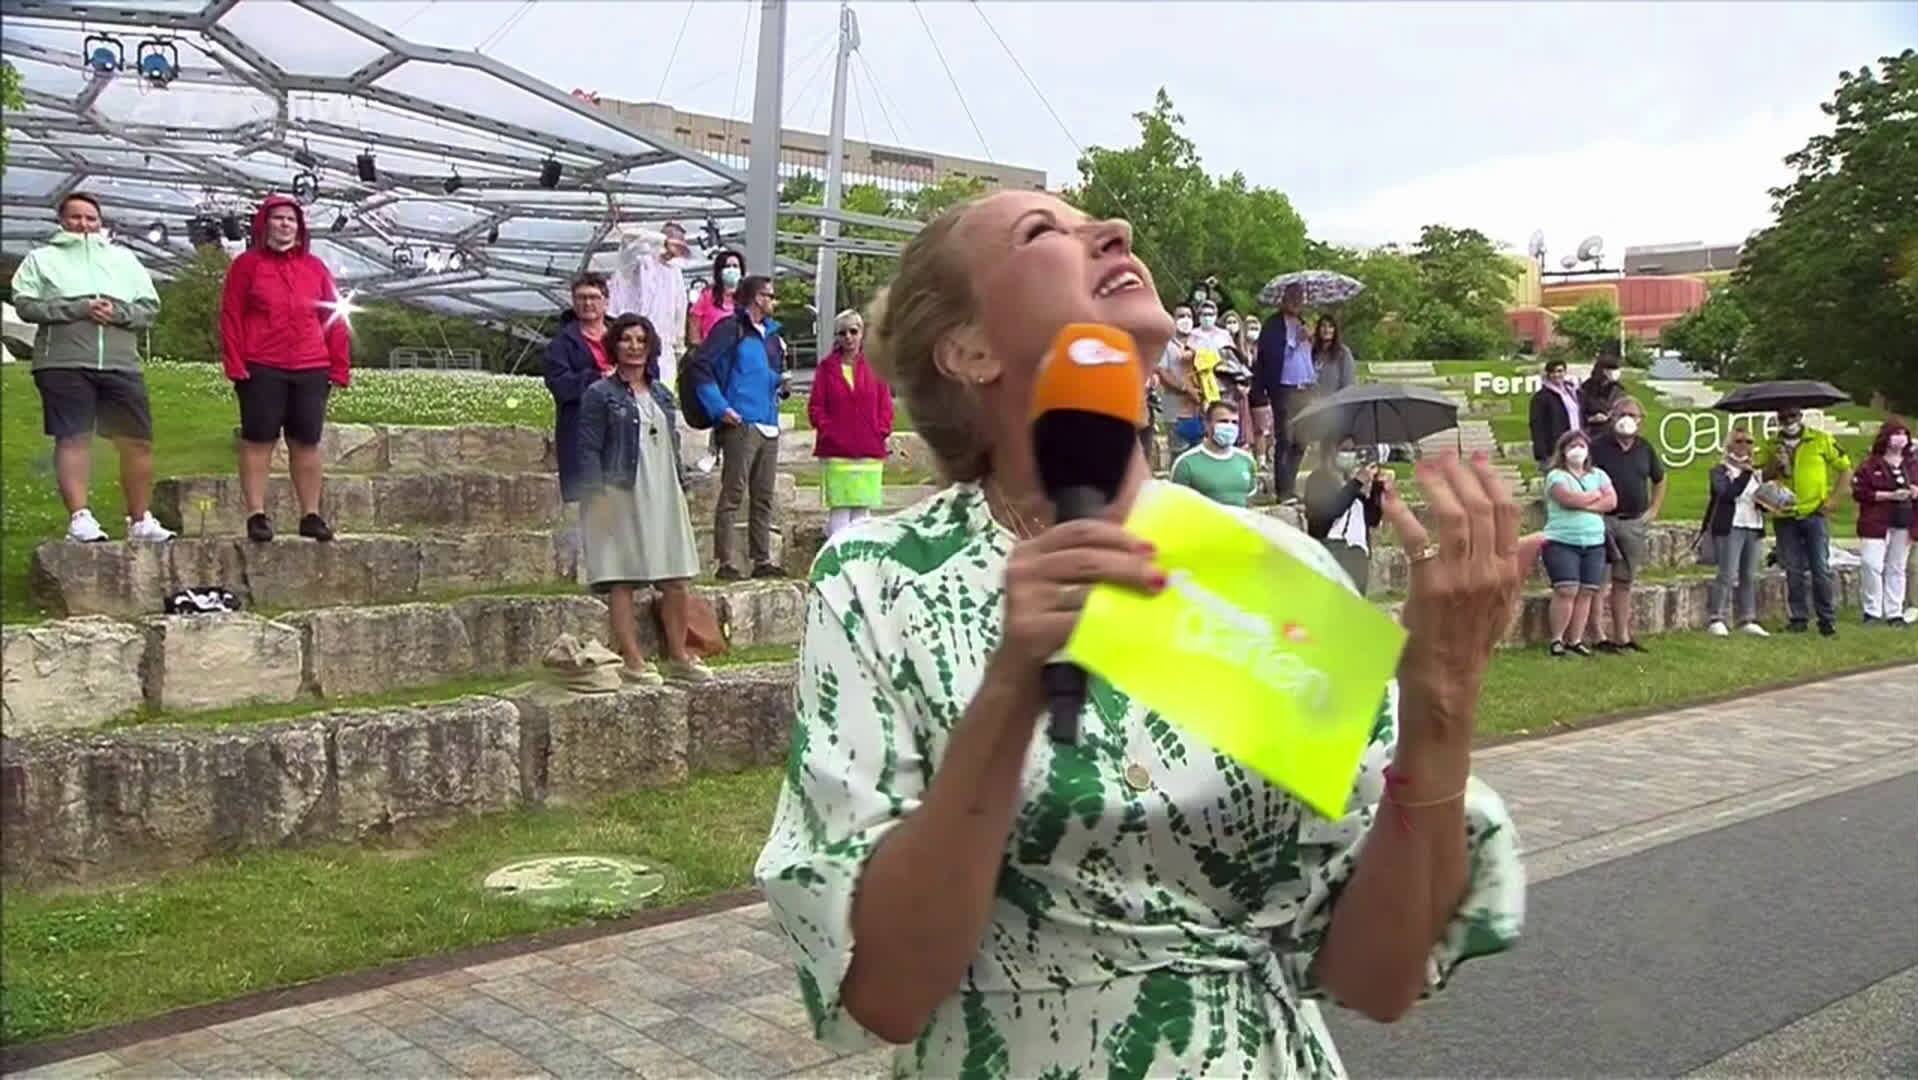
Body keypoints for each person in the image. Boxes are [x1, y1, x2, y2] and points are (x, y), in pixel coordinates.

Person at [755, 189, 1527, 1078]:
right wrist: (1010, 689)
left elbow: (1377, 979)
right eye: (1043, 232)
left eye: (1098, 222)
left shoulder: (1270, 571)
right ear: (969, 350)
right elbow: (888, 996)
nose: (1114, 232)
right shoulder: (884, 580)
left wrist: (1441, 708)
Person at [11, 192, 173, 543]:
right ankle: (80, 518)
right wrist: (77, 308)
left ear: (100, 222)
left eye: (90, 218)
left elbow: (148, 308)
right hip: (63, 362)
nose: (83, 224)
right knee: (74, 436)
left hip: (121, 363)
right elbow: (25, 304)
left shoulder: (124, 260)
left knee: (137, 441)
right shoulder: (41, 259)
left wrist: (118, 313)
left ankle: (140, 520)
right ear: (62, 221)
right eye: (75, 217)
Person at [576, 314, 713, 685]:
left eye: (641, 340)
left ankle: (678, 655)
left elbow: (671, 443)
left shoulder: (662, 394)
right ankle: (632, 660)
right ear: (615, 345)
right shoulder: (599, 394)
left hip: (664, 490)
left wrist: (680, 484)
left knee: (676, 577)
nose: (634, 347)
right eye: (626, 339)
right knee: (622, 577)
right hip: (621, 490)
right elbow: (587, 449)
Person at [221, 194, 351, 543]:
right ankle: (256, 514)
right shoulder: (247, 265)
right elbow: (231, 315)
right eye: (278, 218)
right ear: (265, 224)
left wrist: (339, 366)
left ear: (300, 227)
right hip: (262, 364)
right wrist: (235, 362)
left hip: (311, 365)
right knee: (258, 439)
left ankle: (310, 514)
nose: (285, 224)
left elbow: (333, 317)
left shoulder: (315, 268)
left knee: (306, 441)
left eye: (291, 219)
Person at [694, 273, 786, 580]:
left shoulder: (772, 336)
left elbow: (765, 374)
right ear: (757, 298)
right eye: (770, 296)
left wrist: (780, 382)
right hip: (740, 422)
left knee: (763, 495)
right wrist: (720, 408)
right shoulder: (729, 329)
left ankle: (762, 560)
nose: (773, 301)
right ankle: (726, 561)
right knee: (733, 493)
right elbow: (701, 366)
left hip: (769, 422)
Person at [1761, 407, 1853, 636]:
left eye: (1792, 416)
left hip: (1814, 512)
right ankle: (1798, 618)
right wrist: (1776, 463)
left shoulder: (1821, 440)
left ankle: (1826, 619)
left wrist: (1833, 500)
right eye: (1783, 417)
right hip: (1785, 515)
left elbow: (1845, 469)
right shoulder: (1771, 444)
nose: (1788, 421)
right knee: (1793, 569)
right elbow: (1763, 477)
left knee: (1820, 568)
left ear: (1800, 417)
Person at [1584, 397, 1663, 652]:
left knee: (1624, 581)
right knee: (1598, 581)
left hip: (1633, 523)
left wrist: (1653, 510)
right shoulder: (1597, 446)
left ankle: (1622, 636)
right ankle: (1597, 635)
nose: (1627, 419)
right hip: (1603, 521)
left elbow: (1660, 479)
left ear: (1641, 421)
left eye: (1633, 415)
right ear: (1612, 417)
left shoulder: (1645, 448)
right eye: (1622, 414)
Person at [809, 310, 895, 538]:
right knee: (840, 512)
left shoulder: (875, 366)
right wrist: (830, 431)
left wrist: (880, 430)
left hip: (869, 449)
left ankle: (858, 557)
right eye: (842, 333)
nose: (848, 337)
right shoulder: (826, 368)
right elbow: (816, 407)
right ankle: (838, 555)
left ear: (862, 333)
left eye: (853, 331)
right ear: (836, 336)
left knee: (862, 514)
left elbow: (885, 405)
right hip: (836, 452)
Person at [1541, 430, 1614, 657]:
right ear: (1563, 451)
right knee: (1566, 589)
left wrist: (1586, 503)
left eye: (1582, 445)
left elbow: (1611, 501)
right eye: (1572, 446)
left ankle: (1576, 640)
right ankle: (1557, 639)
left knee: (1586, 591)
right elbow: (1568, 499)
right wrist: (1595, 496)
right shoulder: (1556, 476)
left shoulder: (1598, 475)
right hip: (1562, 541)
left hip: (1594, 542)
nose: (1578, 450)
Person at [543, 273, 614, 507]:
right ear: (573, 303)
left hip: (622, 429)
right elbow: (559, 385)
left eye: (594, 297)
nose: (588, 303)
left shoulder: (625, 335)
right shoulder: (560, 345)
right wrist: (598, 378)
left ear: (606, 301)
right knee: (591, 504)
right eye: (581, 298)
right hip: (583, 431)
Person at [606, 219, 691, 389]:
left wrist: (680, 347)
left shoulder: (675, 272)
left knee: (662, 395)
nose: (675, 251)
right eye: (674, 244)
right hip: (635, 343)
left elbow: (679, 311)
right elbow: (628, 238)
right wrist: (662, 241)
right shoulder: (639, 261)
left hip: (664, 350)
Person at [1254, 282, 1318, 501]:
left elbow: (1310, 355)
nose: (1296, 301)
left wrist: (1311, 340)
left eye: (1300, 297)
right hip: (1285, 388)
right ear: (1283, 299)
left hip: (1306, 386)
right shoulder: (1273, 325)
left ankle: (1290, 484)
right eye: (1292, 297)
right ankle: (1283, 490)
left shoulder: (1303, 322)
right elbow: (1270, 356)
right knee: (1286, 438)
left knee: (1302, 440)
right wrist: (1295, 341)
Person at [1704, 427, 1770, 638]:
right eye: (1739, 441)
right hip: (1731, 526)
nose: (1745, 446)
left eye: (1749, 442)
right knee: (1727, 573)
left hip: (1753, 525)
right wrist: (1745, 474)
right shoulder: (1720, 471)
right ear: (1730, 445)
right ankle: (1717, 617)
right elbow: (1727, 493)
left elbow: (1759, 498)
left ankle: (1747, 618)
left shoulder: (1757, 474)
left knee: (1748, 575)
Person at [1302, 435, 1387, 592]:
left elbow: (1372, 519)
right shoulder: (1318, 480)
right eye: (1345, 449)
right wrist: (1356, 483)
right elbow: (1331, 510)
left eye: (1353, 450)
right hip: (1333, 553)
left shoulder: (1350, 483)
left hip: (1357, 555)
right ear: (1330, 452)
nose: (1350, 455)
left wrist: (1377, 487)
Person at [1850, 418, 1912, 627]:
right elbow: (1860, 492)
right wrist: (1889, 496)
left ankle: (1894, 612)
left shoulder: (1912, 464)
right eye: (1896, 434)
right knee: (1871, 564)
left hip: (1904, 521)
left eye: (1903, 434)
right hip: (1875, 522)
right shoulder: (1870, 465)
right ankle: (1872, 611)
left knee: (1897, 567)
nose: (1900, 438)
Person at [1170, 399, 1258, 508]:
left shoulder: (1247, 460)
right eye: (1223, 421)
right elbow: (1176, 506)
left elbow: (1249, 501)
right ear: (1206, 424)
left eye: (1234, 422)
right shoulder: (1186, 463)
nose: (1229, 426)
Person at [1160, 304, 1204, 457]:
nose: (1185, 319)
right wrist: (1186, 389)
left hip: (1198, 407)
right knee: (1179, 452)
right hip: (1173, 405)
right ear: (1173, 319)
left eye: (1189, 316)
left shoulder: (1200, 341)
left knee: (1199, 452)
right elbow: (1163, 373)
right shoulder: (1165, 344)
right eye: (1181, 316)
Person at [1528, 357, 1582, 472]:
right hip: (1554, 447)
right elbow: (1537, 425)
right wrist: (1541, 452)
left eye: (1560, 371)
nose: (1557, 375)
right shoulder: (1541, 397)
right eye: (1553, 372)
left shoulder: (1573, 393)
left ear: (1565, 372)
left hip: (1576, 444)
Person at [688, 248, 744, 349]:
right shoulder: (707, 295)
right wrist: (699, 348)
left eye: (735, 266)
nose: (732, 270)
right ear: (719, 270)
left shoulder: (747, 297)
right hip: (712, 352)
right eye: (727, 266)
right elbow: (694, 325)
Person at [1576, 347, 1626, 437]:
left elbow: (1623, 410)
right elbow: (1579, 411)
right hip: (1591, 432)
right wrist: (1590, 419)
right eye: (1610, 369)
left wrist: (1610, 416)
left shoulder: (1618, 389)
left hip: (1612, 433)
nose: (1614, 372)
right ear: (1602, 370)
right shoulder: (1586, 388)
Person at [1312, 314, 1356, 396]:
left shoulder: (1343, 353)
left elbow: (1348, 384)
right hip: (1313, 401)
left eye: (1331, 327)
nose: (1327, 330)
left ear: (1335, 330)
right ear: (1318, 329)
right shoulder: (1313, 352)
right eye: (1323, 326)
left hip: (1335, 401)